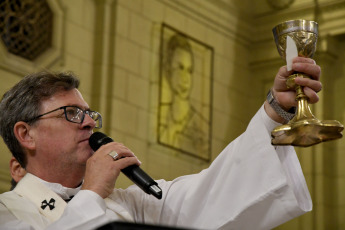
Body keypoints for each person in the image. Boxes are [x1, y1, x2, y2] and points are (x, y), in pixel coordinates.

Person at [0, 57, 322, 230]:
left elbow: (210, 196)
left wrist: (275, 110)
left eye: (89, 114)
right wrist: (92, 193)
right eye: (71, 113)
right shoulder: (8, 213)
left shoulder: (130, 202)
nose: (88, 122)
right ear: (26, 134)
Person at [159, 33, 210, 158]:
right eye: (180, 68)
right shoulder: (160, 113)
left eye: (189, 70)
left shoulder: (200, 127)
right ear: (168, 69)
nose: (186, 79)